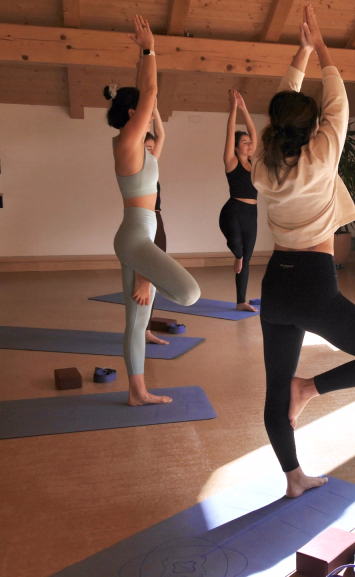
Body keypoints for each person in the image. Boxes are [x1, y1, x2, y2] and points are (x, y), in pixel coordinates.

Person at [252, 5, 355, 498]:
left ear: (275, 129)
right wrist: (318, 45)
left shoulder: (262, 166)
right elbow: (337, 94)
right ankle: (310, 389)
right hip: (315, 285)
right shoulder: (322, 157)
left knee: (275, 389)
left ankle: (293, 478)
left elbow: (293, 103)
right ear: (312, 126)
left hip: (275, 283)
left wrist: (302, 53)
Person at [106, 15, 200, 405]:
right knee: (190, 293)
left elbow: (151, 106)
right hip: (135, 237)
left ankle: (137, 392)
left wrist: (143, 75)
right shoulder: (127, 142)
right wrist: (147, 49)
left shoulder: (140, 148)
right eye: (144, 109)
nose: (150, 108)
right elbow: (149, 90)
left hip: (136, 234)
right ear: (133, 115)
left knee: (137, 319)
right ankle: (148, 276)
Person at [219, 89, 260, 311]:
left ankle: (240, 301)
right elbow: (229, 132)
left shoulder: (254, 163)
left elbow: (254, 133)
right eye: (244, 142)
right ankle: (237, 255)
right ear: (236, 147)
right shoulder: (231, 162)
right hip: (232, 211)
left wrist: (245, 108)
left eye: (248, 142)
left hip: (251, 214)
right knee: (239, 249)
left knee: (247, 260)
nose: (248, 144)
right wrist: (234, 108)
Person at [144, 116, 170, 345]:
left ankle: (146, 328)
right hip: (143, 221)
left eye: (152, 148)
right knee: (145, 275)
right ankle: (143, 328)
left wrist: (154, 109)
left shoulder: (152, 163)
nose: (151, 152)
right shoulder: (134, 165)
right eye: (146, 148)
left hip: (157, 219)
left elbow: (161, 135)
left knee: (156, 275)